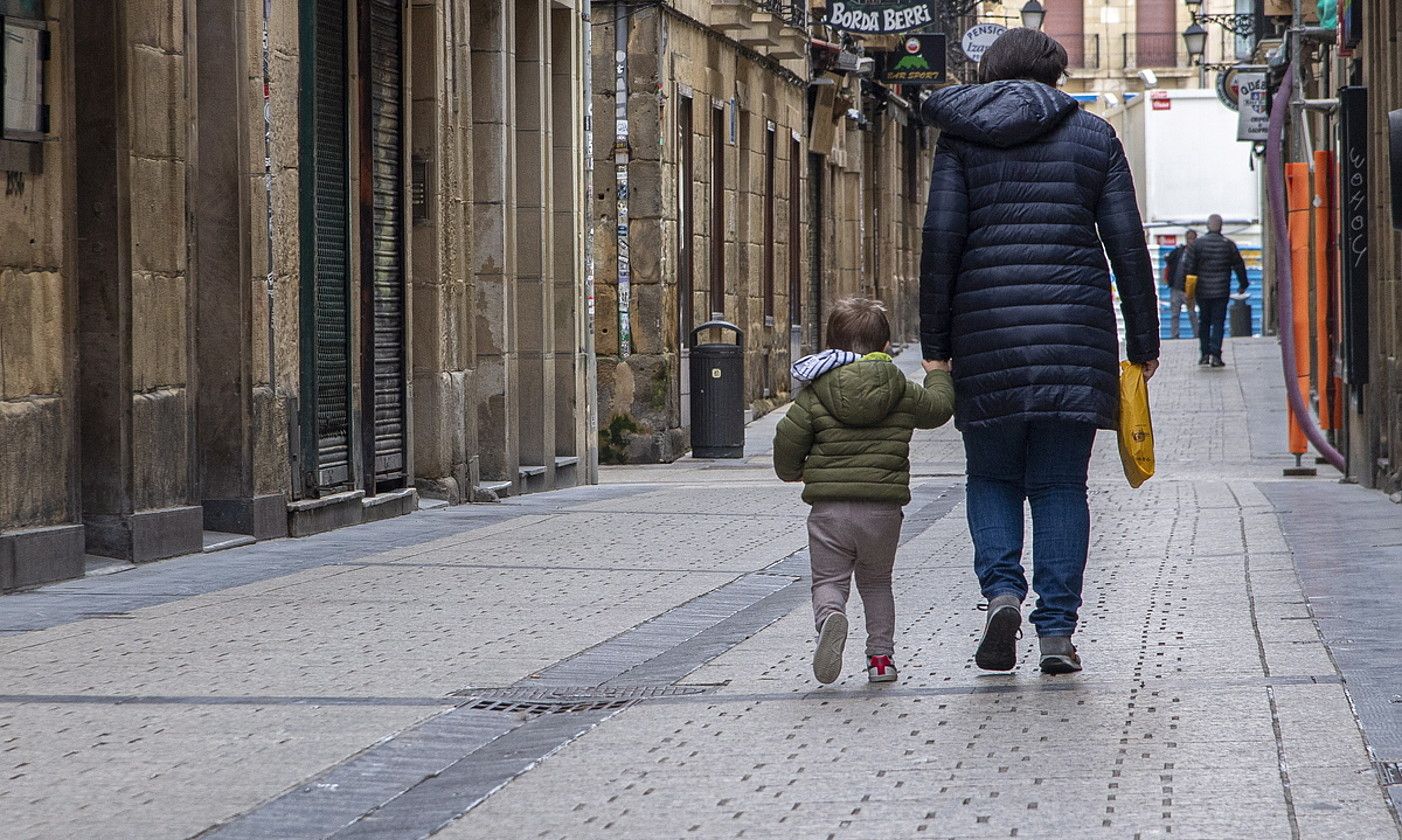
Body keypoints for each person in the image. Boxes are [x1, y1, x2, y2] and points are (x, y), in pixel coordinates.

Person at [918, 29, 1160, 674]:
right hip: (1074, 335)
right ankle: (1056, 631)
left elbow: (940, 241)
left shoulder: (961, 136)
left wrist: (936, 349)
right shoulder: (1094, 136)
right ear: (1057, 73)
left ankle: (1002, 594)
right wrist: (1143, 340)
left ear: (990, 69)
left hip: (984, 332)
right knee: (1059, 485)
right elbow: (1126, 243)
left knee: (992, 476)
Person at [773, 298, 954, 685]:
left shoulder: (815, 391)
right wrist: (938, 373)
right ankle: (881, 661)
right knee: (876, 583)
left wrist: (792, 472)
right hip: (882, 511)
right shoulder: (901, 389)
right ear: (886, 346)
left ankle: (831, 618)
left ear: (831, 345)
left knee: (828, 582)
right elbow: (939, 409)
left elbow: (788, 438)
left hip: (829, 510)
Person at [1181, 214, 1248, 368]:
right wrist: (1243, 284)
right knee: (1218, 322)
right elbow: (1239, 265)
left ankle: (1204, 354)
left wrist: (1188, 290)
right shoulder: (1228, 245)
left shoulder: (1197, 245)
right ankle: (1216, 355)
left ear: (1207, 226)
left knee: (1204, 321)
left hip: (1202, 291)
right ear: (1221, 226)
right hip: (1221, 291)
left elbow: (1189, 269)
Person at [1164, 229, 1198, 340]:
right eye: (1189, 239)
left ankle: (1197, 335)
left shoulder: (1197, 254)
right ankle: (1175, 335)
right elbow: (1168, 259)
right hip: (1176, 287)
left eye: (1193, 239)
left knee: (1192, 313)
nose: (1191, 241)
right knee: (1175, 314)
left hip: (1189, 289)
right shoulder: (1180, 251)